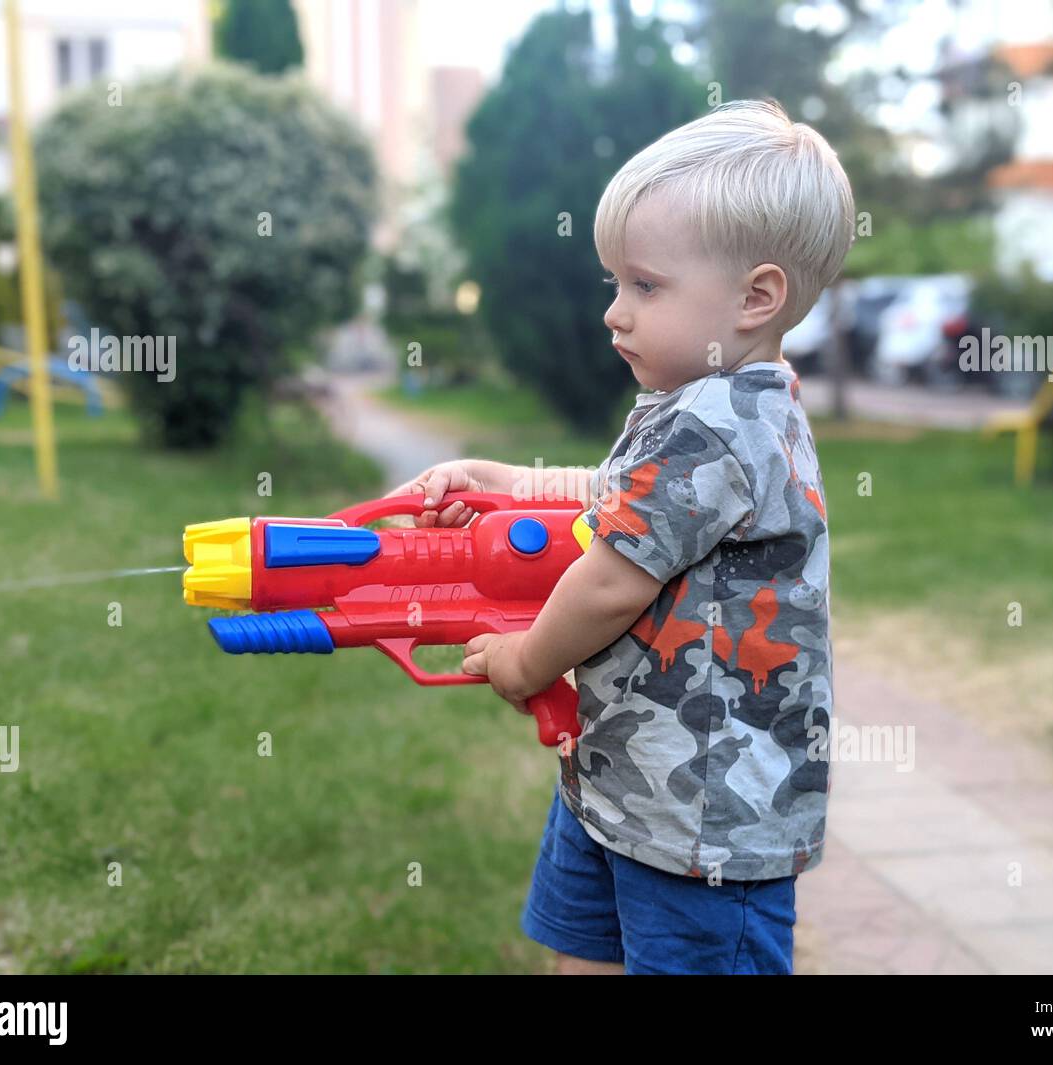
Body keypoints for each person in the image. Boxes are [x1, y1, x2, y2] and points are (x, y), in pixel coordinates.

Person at [388, 99, 854, 974]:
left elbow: (611, 578)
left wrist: (526, 661)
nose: (615, 312)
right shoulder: (710, 399)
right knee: (583, 955)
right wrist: (507, 483)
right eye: (615, 284)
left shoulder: (717, 419)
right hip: (625, 781)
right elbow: (623, 503)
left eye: (644, 285)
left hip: (704, 822)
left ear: (757, 296)